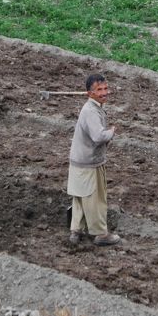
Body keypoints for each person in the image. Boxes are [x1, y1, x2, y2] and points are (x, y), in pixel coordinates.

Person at [67, 73, 121, 246]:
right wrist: (111, 132)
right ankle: (100, 234)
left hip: (79, 160)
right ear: (90, 93)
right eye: (99, 89)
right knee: (94, 199)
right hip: (88, 162)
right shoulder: (91, 111)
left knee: (80, 197)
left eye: (106, 88)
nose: (104, 92)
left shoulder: (93, 107)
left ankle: (76, 230)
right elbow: (98, 136)